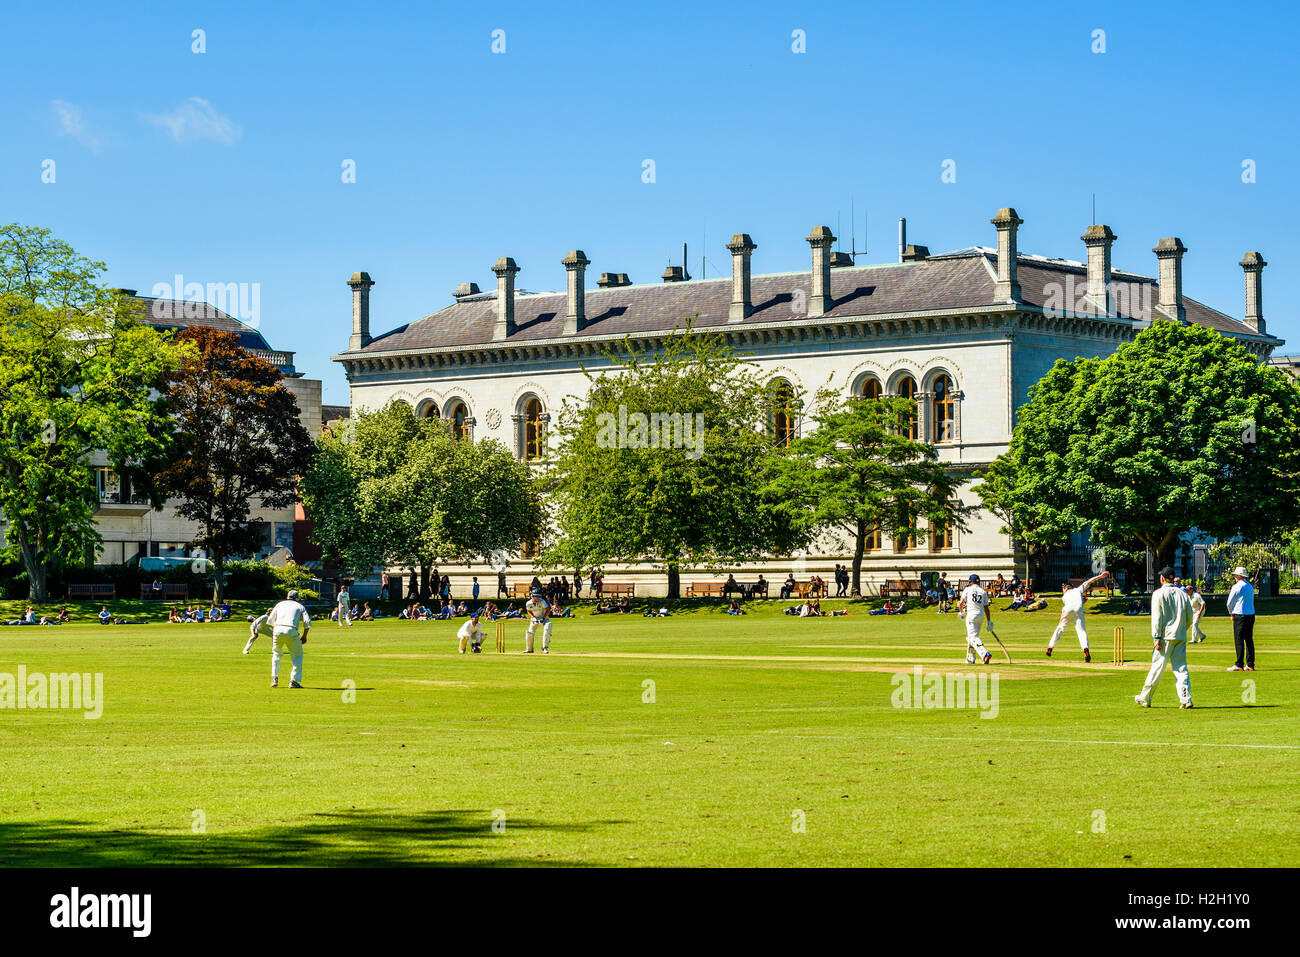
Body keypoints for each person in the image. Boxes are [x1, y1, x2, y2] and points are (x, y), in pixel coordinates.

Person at [1135, 567, 1194, 708]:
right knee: (1181, 669)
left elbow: (1157, 618)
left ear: (1162, 578)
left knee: (1157, 668)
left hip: (1165, 637)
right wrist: (1181, 629)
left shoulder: (1158, 594)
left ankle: (1145, 697)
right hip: (1180, 635)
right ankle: (1186, 699)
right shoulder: (1183, 593)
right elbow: (1190, 617)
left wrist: (1156, 637)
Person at [1046, 570, 1110, 662]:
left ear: (1066, 589)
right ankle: (1085, 649)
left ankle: (1050, 647)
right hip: (1079, 609)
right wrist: (1100, 576)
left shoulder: (1064, 596)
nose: (1063, 591)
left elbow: (1070, 605)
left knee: (1060, 628)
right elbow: (1089, 581)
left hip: (1067, 609)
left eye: (1063, 589)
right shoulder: (1078, 589)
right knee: (1081, 631)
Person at [265, 589, 311, 688]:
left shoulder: (279, 604)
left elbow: (270, 621)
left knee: (276, 654)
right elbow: (307, 623)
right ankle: (294, 681)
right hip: (291, 629)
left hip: (277, 629)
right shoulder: (300, 606)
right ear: (297, 598)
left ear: (287, 597)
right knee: (297, 656)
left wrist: (276, 630)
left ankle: (274, 678)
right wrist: (304, 636)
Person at [1225, 566, 1255, 671]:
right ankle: (1250, 664)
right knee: (1249, 639)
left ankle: (1239, 664)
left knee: (1239, 639)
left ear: (1238, 575)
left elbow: (1229, 603)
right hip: (1250, 614)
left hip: (1240, 614)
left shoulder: (1237, 586)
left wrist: (1231, 613)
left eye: (1235, 575)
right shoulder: (1250, 586)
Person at [959, 574, 993, 665]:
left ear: (971, 582)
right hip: (980, 616)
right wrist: (989, 621)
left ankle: (984, 653)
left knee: (972, 637)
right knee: (973, 637)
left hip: (971, 615)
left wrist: (961, 613)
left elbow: (961, 603)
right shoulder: (983, 591)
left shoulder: (967, 589)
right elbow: (986, 608)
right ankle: (970, 659)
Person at [524, 588, 552, 654]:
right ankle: (529, 649)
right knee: (530, 632)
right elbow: (528, 611)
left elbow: (548, 610)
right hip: (535, 619)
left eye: (539, 596)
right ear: (532, 596)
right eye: (536, 596)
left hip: (544, 618)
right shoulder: (528, 603)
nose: (538, 598)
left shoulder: (542, 602)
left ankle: (545, 647)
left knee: (548, 627)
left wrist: (543, 618)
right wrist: (533, 617)